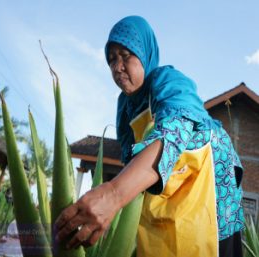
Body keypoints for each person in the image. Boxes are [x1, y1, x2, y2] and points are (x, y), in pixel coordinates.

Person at [55, 16, 244, 257]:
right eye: (112, 59)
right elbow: (130, 158)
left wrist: (114, 194)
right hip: (169, 190)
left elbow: (176, 130)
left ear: (145, 53)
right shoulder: (125, 106)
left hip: (212, 188)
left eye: (126, 55)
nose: (117, 66)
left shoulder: (167, 80)